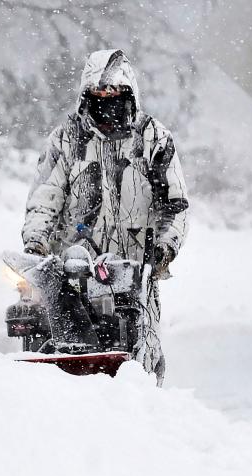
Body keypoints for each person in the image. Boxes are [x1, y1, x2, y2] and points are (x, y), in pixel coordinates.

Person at [21, 49, 189, 384]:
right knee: (55, 346)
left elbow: (174, 204)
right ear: (86, 97)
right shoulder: (67, 137)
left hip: (134, 274)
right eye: (99, 96)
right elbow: (46, 196)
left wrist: (164, 250)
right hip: (72, 271)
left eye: (114, 95)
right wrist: (36, 243)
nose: (107, 102)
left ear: (129, 94)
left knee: (140, 361)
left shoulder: (152, 138)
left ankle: (141, 412)